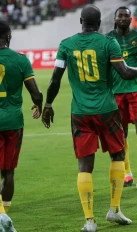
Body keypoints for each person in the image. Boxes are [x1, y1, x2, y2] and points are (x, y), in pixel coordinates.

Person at [41, 5, 137, 232]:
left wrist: (48, 104)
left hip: (80, 113)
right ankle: (114, 209)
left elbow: (55, 80)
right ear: (100, 24)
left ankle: (89, 221)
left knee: (84, 165)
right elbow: (125, 72)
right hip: (107, 110)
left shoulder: (66, 44)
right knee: (118, 154)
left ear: (81, 21)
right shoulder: (109, 43)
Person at [0, 19, 43, 232]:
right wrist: (39, 105)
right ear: (9, 36)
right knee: (8, 173)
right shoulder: (20, 60)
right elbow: (36, 93)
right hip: (13, 122)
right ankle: (3, 217)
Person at [105, 6, 137, 190]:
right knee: (121, 132)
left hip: (136, 90)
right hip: (116, 91)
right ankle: (127, 174)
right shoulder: (108, 38)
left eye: (127, 16)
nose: (124, 18)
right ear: (115, 19)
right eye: (120, 16)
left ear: (131, 18)